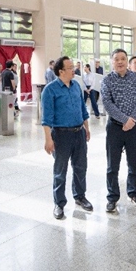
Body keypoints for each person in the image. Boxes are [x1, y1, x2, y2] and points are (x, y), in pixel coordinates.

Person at [41, 56, 92, 220]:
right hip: (61, 135)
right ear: (61, 71)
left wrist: (87, 128)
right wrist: (48, 139)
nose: (74, 70)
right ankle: (59, 203)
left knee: (80, 167)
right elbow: (46, 118)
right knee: (60, 171)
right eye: (70, 68)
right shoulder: (50, 90)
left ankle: (80, 196)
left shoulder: (76, 85)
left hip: (79, 133)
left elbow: (83, 109)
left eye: (73, 67)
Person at [101, 48, 136, 212]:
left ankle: (133, 192)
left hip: (134, 126)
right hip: (115, 127)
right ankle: (112, 197)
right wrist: (124, 120)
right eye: (116, 59)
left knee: (134, 163)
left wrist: (132, 120)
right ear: (112, 61)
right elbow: (107, 103)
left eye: (123, 59)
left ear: (127, 61)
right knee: (112, 166)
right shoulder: (107, 80)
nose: (120, 62)